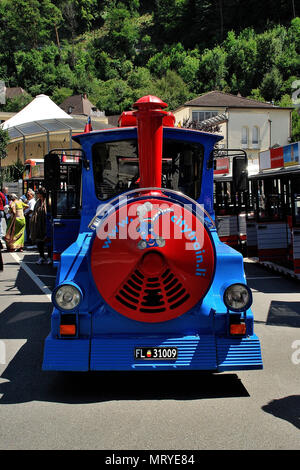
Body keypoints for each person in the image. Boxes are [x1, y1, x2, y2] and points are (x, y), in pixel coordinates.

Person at [30, 187, 51, 264]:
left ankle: (49, 257)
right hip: (38, 224)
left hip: (46, 223)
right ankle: (41, 257)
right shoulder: (38, 202)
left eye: (38, 193)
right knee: (39, 241)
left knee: (48, 240)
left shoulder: (48, 201)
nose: (37, 195)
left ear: (41, 194)